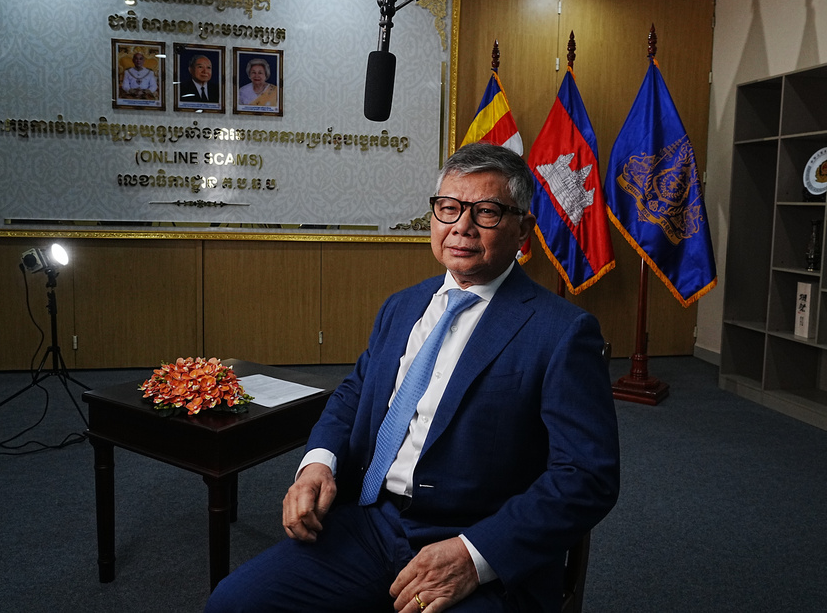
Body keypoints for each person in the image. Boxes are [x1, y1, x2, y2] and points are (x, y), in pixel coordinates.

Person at [205, 143, 620, 613]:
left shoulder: (562, 332)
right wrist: (318, 463)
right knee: (233, 605)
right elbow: (354, 394)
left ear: (523, 228)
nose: (461, 226)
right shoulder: (402, 307)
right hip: (369, 523)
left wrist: (474, 555)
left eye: (486, 212)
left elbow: (587, 476)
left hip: (475, 539)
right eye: (449, 208)